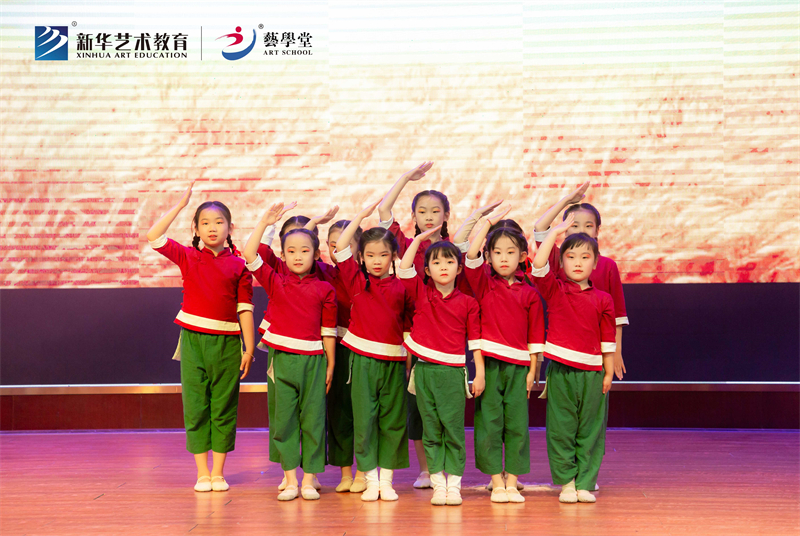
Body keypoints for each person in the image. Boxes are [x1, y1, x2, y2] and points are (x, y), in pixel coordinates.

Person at [145, 181, 255, 493]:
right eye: (204, 223)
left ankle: (218, 473)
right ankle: (202, 473)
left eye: (219, 222)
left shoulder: (239, 265)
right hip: (193, 340)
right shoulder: (188, 257)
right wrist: (180, 206)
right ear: (195, 228)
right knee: (195, 406)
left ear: (230, 228)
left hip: (227, 344)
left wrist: (248, 348)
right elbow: (153, 236)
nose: (212, 228)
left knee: (223, 407)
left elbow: (245, 309)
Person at [243, 203, 337, 501]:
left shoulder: (325, 289)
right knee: (284, 420)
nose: (298, 256)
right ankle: (290, 480)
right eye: (292, 251)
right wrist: (265, 222)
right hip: (282, 360)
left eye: (305, 251)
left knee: (313, 420)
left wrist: (330, 364)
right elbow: (249, 254)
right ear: (282, 256)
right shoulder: (275, 281)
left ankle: (309, 480)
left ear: (316, 254)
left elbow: (328, 331)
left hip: (314, 362)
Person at [330, 200, 416, 501]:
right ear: (361, 257)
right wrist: (360, 216)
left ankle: (386, 481)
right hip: (362, 361)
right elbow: (341, 247)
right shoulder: (356, 282)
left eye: (383, 254)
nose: (376, 261)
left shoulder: (402, 287)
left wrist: (407, 360)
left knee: (393, 421)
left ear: (394, 256)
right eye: (370, 255)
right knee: (364, 420)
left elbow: (408, 325)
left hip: (394, 362)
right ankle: (369, 479)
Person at [532, 213, 616, 504]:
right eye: (570, 257)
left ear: (595, 262)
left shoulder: (603, 299)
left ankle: (585, 482)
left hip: (593, 373)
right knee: (561, 428)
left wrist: (608, 372)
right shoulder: (555, 290)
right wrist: (554, 232)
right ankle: (567, 483)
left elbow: (608, 340)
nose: (577, 263)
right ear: (562, 261)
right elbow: (539, 266)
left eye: (584, 257)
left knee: (591, 429)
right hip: (561, 371)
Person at [464, 207, 545, 503]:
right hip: (490, 365)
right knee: (489, 424)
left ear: (522, 256)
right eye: (497, 252)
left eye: (510, 252)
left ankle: (512, 481)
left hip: (519, 368)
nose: (503, 258)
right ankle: (496, 481)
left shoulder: (529, 293)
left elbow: (536, 337)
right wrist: (488, 223)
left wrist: (533, 371)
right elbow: (470, 256)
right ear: (488, 256)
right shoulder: (484, 284)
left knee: (517, 425)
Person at [398, 226, 481, 506]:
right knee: (430, 431)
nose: (443, 266)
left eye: (449, 261)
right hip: (423, 371)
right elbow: (404, 269)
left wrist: (480, 373)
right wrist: (419, 239)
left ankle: (454, 486)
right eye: (436, 262)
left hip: (453, 373)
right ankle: (438, 485)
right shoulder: (422, 294)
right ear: (427, 270)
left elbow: (476, 342)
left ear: (460, 268)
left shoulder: (468, 303)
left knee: (454, 432)